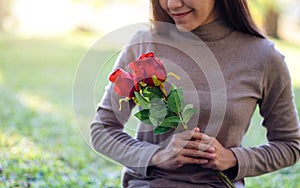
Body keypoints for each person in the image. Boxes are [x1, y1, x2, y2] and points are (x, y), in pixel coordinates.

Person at [90, 0, 300, 187]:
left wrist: (233, 158)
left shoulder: (264, 57)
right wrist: (157, 155)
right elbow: (102, 129)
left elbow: (291, 145)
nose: (171, 4)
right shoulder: (145, 43)